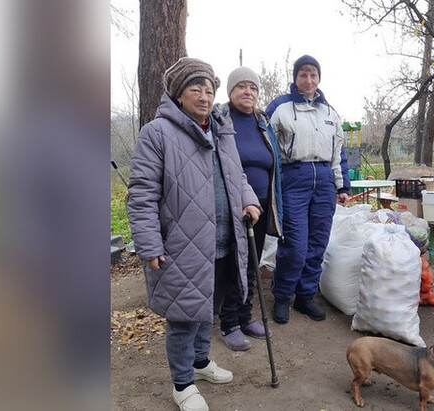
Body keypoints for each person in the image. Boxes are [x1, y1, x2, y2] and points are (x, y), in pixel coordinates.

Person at [127, 57, 261, 411]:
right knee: (184, 317)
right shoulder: (157, 133)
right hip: (180, 244)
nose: (204, 96)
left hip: (223, 240)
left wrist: (250, 202)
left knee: (208, 309)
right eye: (195, 89)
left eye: (209, 89)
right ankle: (182, 383)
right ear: (178, 94)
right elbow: (141, 195)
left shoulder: (222, 129)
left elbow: (238, 177)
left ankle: (200, 363)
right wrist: (149, 244)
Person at [265, 54, 350, 324]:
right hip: (294, 178)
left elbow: (339, 153)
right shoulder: (280, 107)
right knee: (295, 244)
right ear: (295, 78)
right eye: (303, 74)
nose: (309, 79)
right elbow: (267, 145)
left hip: (324, 179)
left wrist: (342, 185)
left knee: (317, 243)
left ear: (319, 78)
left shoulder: (330, 112)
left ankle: (305, 297)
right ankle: (282, 297)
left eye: (313, 74)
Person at [215, 67, 283, 351]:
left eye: (252, 88)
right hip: (234, 205)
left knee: (252, 261)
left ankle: (245, 316)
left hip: (264, 203)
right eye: (241, 87)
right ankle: (229, 322)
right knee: (235, 262)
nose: (248, 92)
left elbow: (273, 161)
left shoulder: (262, 121)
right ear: (230, 92)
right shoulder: (221, 119)